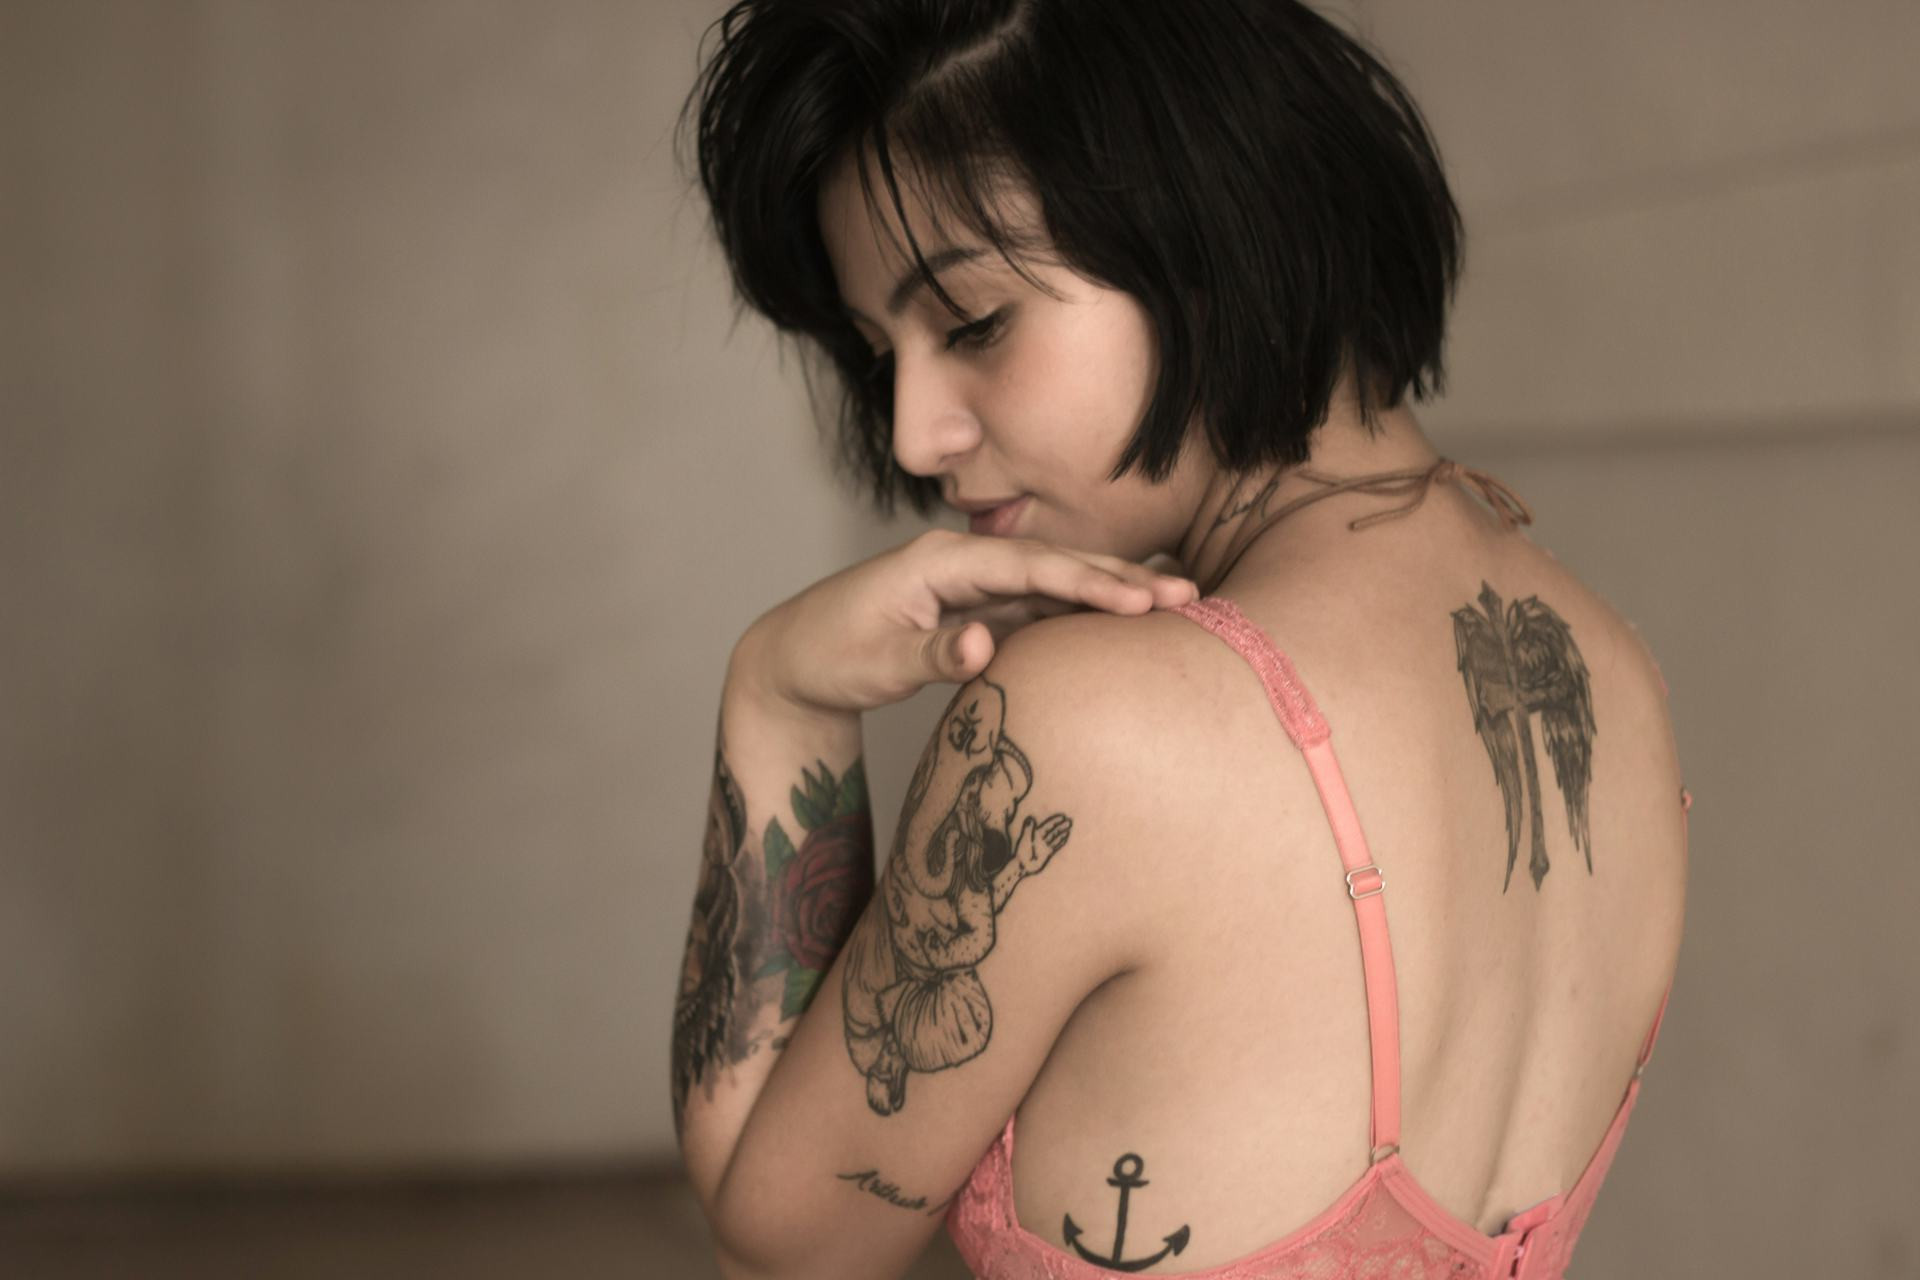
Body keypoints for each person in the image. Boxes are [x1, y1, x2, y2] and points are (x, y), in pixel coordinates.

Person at [670, 1, 1688, 1277]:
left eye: (974, 323)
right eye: (883, 357)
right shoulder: (1614, 672)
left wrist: (780, 693)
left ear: (1211, 226)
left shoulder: (1089, 722)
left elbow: (786, 1230)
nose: (918, 433)